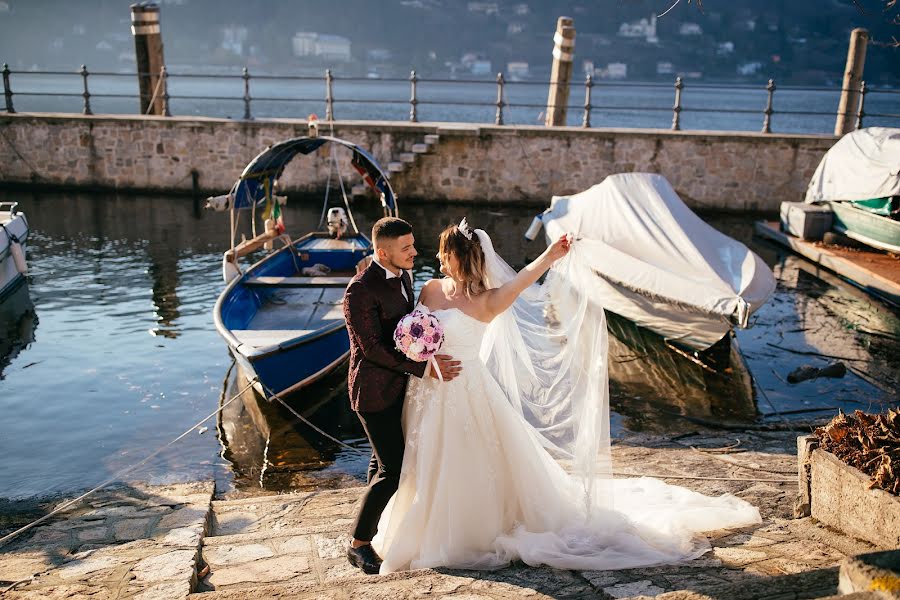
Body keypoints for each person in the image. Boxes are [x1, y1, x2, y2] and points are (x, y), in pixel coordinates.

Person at [372, 218, 762, 573]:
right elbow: (413, 329)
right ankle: (414, 521)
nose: (437, 258)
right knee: (425, 458)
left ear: (461, 258)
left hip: (467, 391)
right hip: (426, 390)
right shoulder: (429, 288)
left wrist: (551, 254)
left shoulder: (489, 300)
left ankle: (460, 531)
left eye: (444, 253)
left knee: (465, 459)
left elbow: (524, 278)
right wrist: (418, 354)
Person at [342, 217, 462, 575]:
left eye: (412, 244)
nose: (414, 252)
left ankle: (377, 525)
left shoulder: (406, 276)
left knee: (381, 463)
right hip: (373, 391)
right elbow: (372, 349)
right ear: (383, 252)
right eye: (406, 247)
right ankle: (358, 544)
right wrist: (425, 367)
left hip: (403, 389)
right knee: (393, 470)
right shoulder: (359, 291)